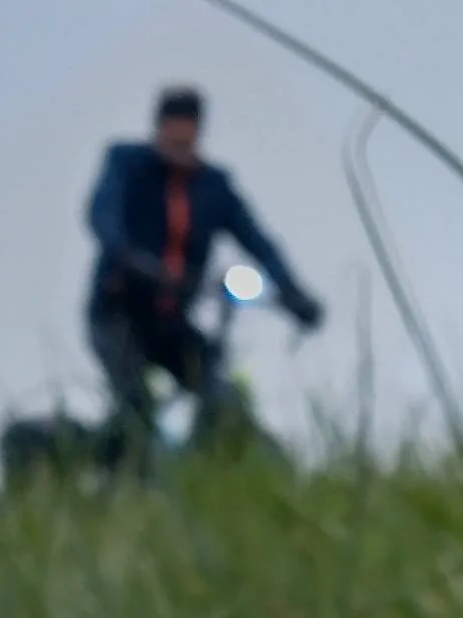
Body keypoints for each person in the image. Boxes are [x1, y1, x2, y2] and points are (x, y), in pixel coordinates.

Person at [86, 85, 322, 463]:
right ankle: (103, 470)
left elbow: (256, 239)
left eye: (188, 134)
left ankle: (233, 466)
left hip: (171, 320)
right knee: (135, 402)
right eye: (173, 133)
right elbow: (102, 214)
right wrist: (130, 258)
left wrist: (291, 291)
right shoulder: (127, 164)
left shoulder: (213, 186)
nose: (180, 143)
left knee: (220, 392)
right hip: (119, 314)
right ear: (159, 129)